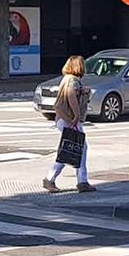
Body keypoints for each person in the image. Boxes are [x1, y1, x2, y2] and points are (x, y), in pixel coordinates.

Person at [42, 54, 94, 193]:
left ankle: (81, 181)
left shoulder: (67, 79)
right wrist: (76, 115)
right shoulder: (72, 81)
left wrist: (82, 92)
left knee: (75, 148)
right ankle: (52, 179)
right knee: (73, 149)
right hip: (69, 120)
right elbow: (71, 94)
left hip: (64, 119)